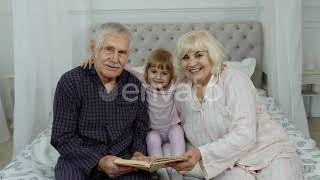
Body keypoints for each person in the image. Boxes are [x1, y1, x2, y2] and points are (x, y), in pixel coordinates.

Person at [169, 30, 304, 180]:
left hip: (269, 153)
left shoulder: (234, 80)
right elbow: (168, 124)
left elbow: (245, 133)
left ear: (211, 56)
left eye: (199, 55)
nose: (192, 63)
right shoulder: (181, 93)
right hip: (227, 164)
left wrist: (202, 153)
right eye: (185, 57)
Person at [50, 22, 151, 180]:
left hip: (123, 160)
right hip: (79, 159)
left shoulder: (134, 85)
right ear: (94, 47)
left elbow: (140, 128)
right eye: (109, 49)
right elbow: (62, 137)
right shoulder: (70, 82)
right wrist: (100, 161)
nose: (115, 59)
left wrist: (138, 154)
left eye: (122, 52)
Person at [82, 48, 186, 180]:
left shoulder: (174, 84)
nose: (158, 77)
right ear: (147, 71)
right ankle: (161, 172)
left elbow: (187, 73)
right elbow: (126, 67)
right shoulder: (144, 81)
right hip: (153, 130)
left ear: (171, 76)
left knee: (177, 130)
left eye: (164, 73)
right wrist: (95, 58)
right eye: (154, 72)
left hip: (171, 126)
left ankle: (177, 169)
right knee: (151, 138)